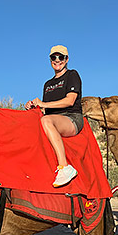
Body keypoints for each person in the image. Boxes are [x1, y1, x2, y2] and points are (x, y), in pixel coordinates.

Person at [25, 45, 83, 187]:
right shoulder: (48, 84)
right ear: (50, 60)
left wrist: (43, 103)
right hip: (53, 119)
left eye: (61, 57)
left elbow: (70, 101)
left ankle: (65, 167)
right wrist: (34, 106)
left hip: (71, 118)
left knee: (46, 120)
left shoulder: (72, 75)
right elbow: (47, 110)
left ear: (67, 59)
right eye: (53, 57)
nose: (57, 60)